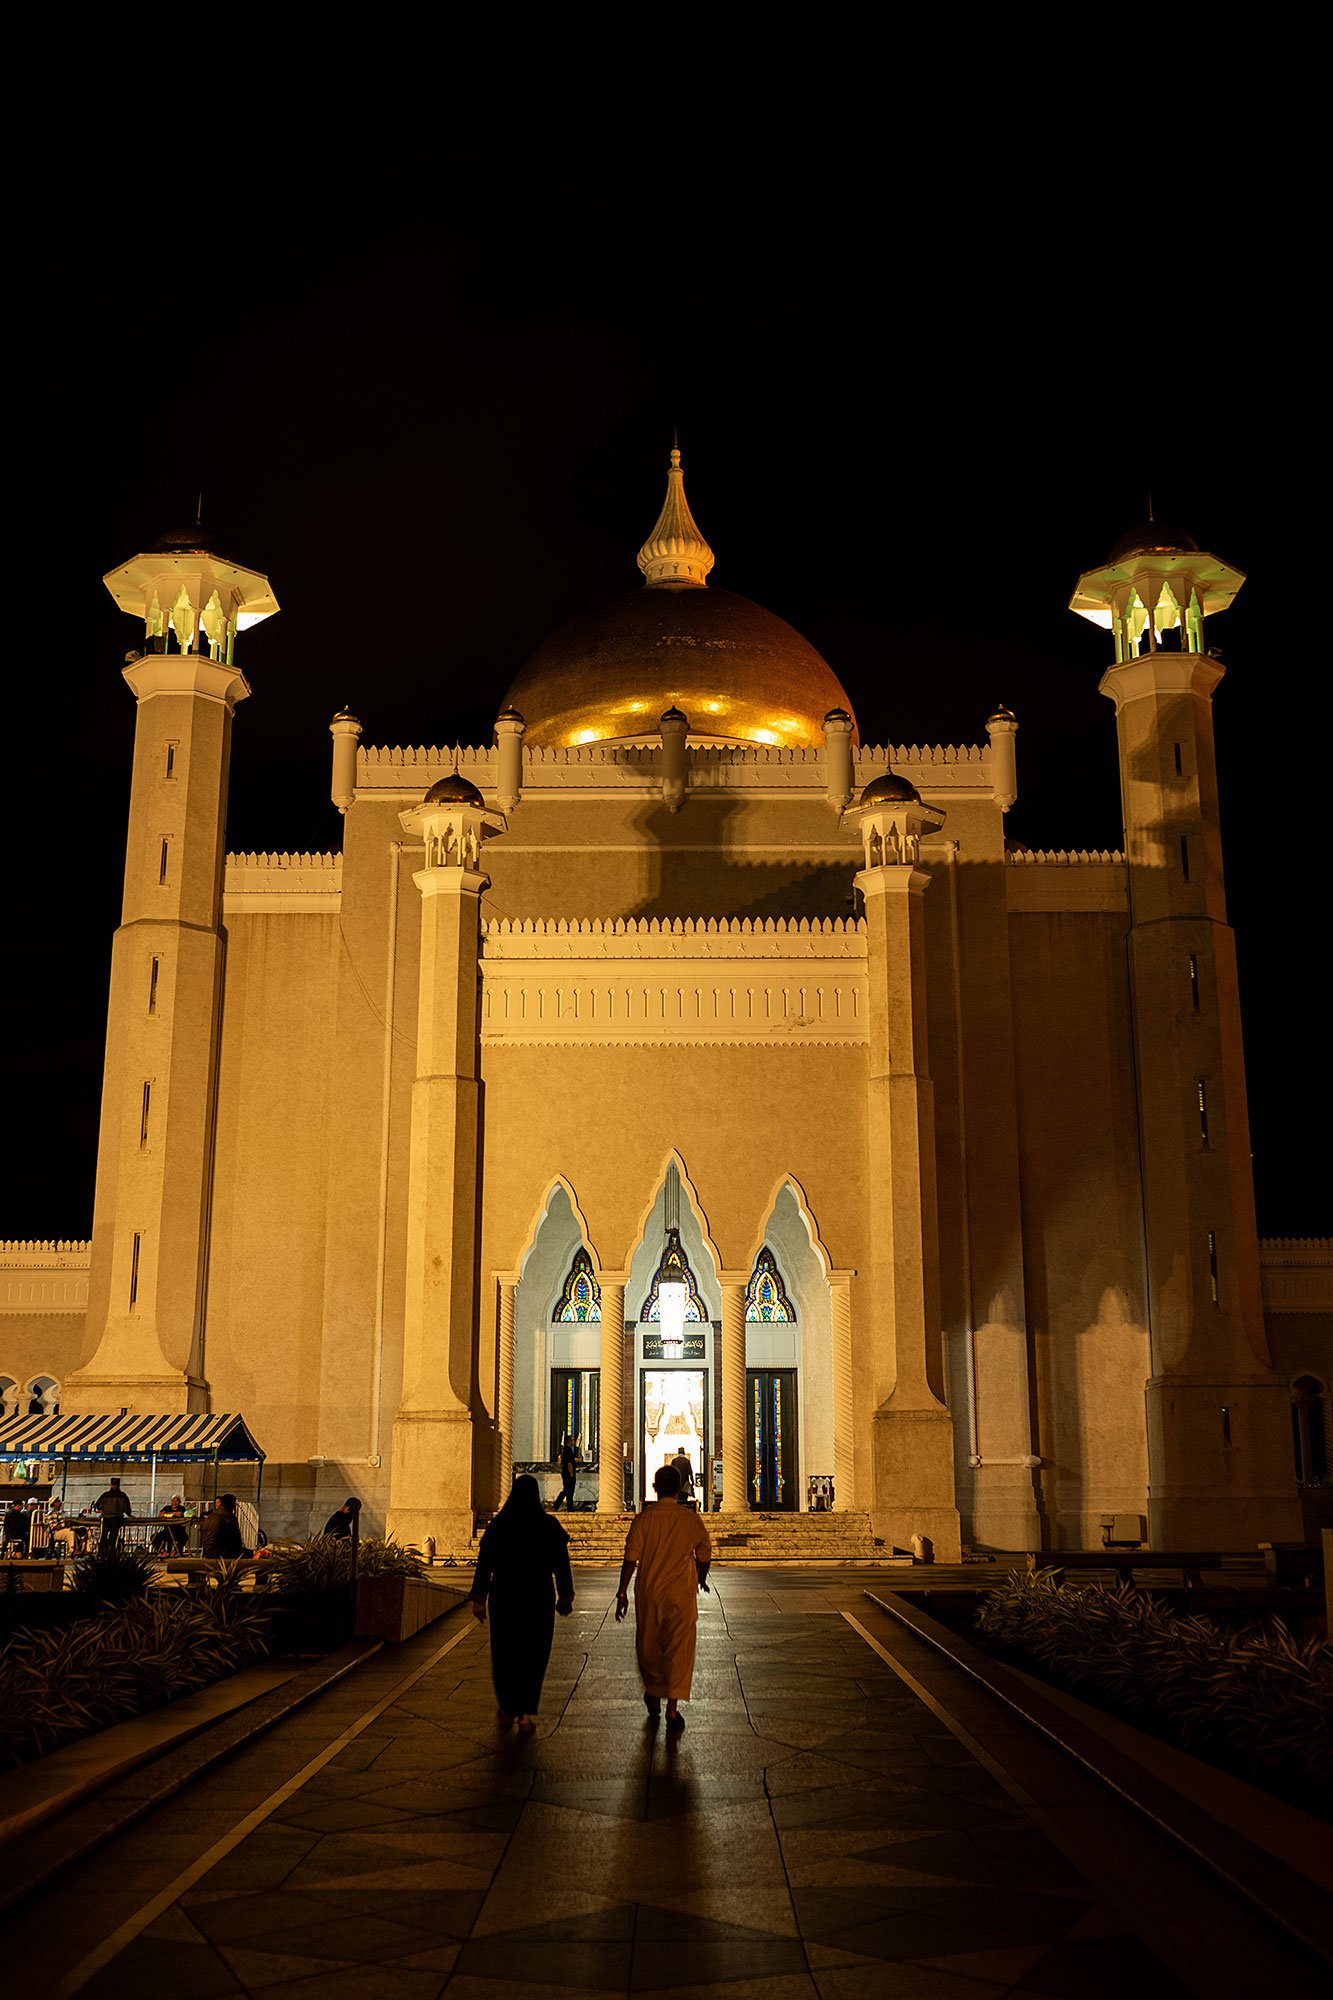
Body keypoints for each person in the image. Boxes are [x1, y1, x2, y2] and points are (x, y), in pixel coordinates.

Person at [469, 1474, 574, 1734]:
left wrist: (479, 1598)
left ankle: (507, 1706)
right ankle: (525, 1714)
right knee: (534, 1654)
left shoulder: (499, 1525)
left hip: (506, 1596)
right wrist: (565, 1596)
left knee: (505, 1653)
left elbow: (485, 1565)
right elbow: (562, 1564)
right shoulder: (548, 1525)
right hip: (538, 1596)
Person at [616, 1464, 711, 1730]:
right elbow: (704, 1553)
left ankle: (653, 1693)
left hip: (650, 1592)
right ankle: (672, 1708)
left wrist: (622, 1591)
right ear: (681, 1489)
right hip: (680, 1593)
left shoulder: (643, 1520)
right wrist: (701, 1578)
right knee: (678, 1647)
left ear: (655, 1488)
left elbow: (630, 1559)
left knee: (650, 1645)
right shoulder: (689, 1520)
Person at [200, 1492, 244, 1558]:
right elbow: (236, 1540)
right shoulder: (229, 1517)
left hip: (207, 1551)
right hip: (220, 1552)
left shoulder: (211, 1516)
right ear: (231, 1505)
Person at [93, 1476, 132, 1549]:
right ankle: (113, 1553)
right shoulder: (123, 1496)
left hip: (105, 1518)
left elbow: (98, 1506)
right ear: (119, 1485)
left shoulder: (105, 1495)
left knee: (103, 1536)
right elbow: (127, 1510)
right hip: (117, 1518)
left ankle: (101, 1553)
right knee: (114, 1537)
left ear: (110, 1485)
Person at [554, 1434, 578, 1512]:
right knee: (568, 1490)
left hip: (566, 1473)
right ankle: (556, 1505)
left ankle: (570, 1507)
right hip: (568, 1474)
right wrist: (571, 1475)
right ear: (569, 1441)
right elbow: (569, 1464)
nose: (574, 1441)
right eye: (573, 1440)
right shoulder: (568, 1450)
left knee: (569, 1491)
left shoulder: (566, 1450)